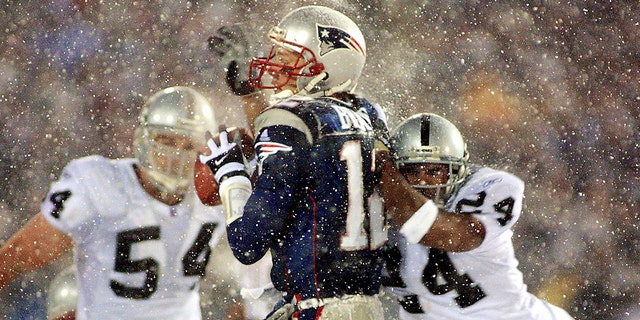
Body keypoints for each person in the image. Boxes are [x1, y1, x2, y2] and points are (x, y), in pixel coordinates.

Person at [200, 5, 392, 320]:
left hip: (319, 308)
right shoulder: (370, 115)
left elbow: (247, 243)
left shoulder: (290, 122)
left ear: (328, 66)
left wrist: (230, 171)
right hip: (366, 305)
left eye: (286, 58)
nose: (273, 65)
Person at [0, 86, 228, 320]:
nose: (176, 155)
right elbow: (19, 256)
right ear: (144, 139)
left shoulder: (218, 191)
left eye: (188, 145)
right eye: (166, 141)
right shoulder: (99, 184)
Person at [382, 113, 575, 319]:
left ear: (457, 170)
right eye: (412, 171)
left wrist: (384, 168)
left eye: (434, 171)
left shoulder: (490, 187)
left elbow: (446, 233)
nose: (423, 182)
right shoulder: (379, 204)